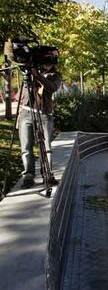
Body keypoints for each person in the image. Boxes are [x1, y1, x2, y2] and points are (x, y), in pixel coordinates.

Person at [18, 50, 61, 188]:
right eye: (45, 61)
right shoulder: (29, 71)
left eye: (49, 62)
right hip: (26, 112)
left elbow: (52, 87)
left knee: (46, 146)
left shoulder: (55, 75)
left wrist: (39, 76)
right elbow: (15, 57)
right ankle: (28, 176)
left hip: (44, 114)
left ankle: (47, 174)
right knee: (26, 147)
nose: (47, 64)